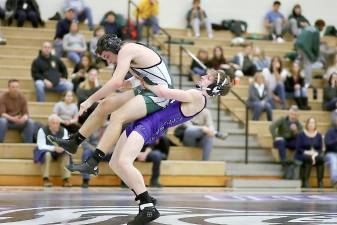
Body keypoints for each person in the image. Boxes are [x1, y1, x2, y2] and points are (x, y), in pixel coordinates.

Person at [66, 69, 233, 225]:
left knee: (124, 162)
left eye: (209, 77)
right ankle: (145, 198)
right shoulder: (198, 97)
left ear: (214, 87)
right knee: (114, 163)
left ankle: (147, 206)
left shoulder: (197, 96)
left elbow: (163, 92)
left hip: (149, 125)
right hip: (145, 122)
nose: (204, 76)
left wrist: (146, 82)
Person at [48, 33, 174, 174]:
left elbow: (115, 82)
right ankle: (74, 142)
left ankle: (94, 161)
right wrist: (129, 82)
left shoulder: (127, 50)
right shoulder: (129, 50)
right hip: (149, 88)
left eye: (107, 57)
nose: (108, 62)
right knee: (104, 105)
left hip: (161, 94)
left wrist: (89, 100)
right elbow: (146, 73)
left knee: (117, 116)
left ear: (113, 48)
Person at [33, 114, 71, 187]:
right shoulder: (42, 130)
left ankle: (66, 179)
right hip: (47, 151)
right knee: (47, 155)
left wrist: (62, 148)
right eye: (53, 123)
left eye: (57, 123)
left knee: (66, 155)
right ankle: (46, 179)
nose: (56, 125)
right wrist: (54, 148)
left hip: (59, 152)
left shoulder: (64, 130)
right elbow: (41, 146)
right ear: (49, 123)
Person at [294, 117, 324, 188]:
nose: (311, 124)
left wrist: (315, 154)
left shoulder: (318, 135)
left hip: (314, 154)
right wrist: (307, 152)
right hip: (302, 154)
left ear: (315, 124)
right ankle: (305, 181)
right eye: (310, 123)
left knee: (321, 159)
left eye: (313, 123)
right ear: (307, 124)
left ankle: (320, 182)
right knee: (308, 158)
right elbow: (298, 148)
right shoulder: (301, 134)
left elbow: (320, 149)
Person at [295, 19, 325, 87]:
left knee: (301, 63)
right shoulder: (316, 31)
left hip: (298, 45)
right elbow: (315, 45)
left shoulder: (308, 27)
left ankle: (299, 79)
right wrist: (316, 55)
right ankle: (307, 83)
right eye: (323, 27)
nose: (322, 29)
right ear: (320, 25)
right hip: (305, 47)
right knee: (308, 64)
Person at [324, 112, 337, 189]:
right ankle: (335, 181)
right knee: (334, 160)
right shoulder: (330, 131)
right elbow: (328, 144)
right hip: (331, 153)